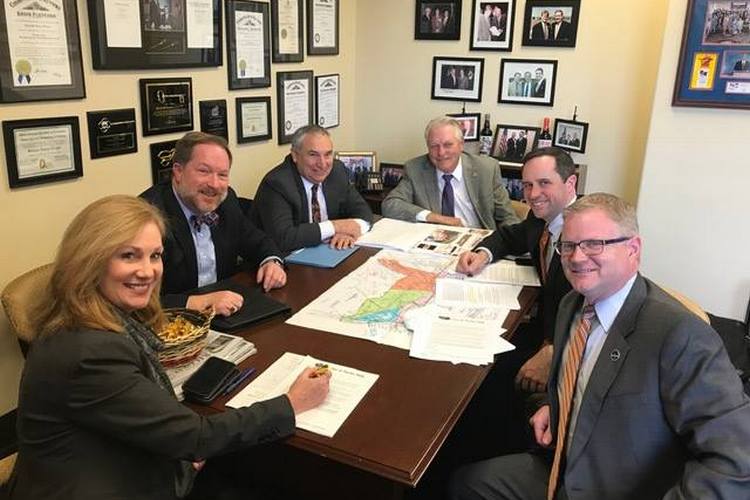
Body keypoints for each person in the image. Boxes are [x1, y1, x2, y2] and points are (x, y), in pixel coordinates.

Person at [8, 195, 331, 500]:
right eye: (128, 255)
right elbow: (196, 437)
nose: (147, 271)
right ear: (89, 261)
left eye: (155, 255)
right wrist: (291, 403)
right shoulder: (88, 351)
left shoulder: (97, 318)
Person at [450, 193, 750, 500]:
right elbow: (583, 382)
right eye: (568, 245)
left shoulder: (681, 335)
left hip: (622, 488)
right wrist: (554, 408)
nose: (577, 258)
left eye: (595, 244)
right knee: (466, 483)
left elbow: (737, 461)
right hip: (564, 463)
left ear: (633, 249)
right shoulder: (573, 305)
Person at [457, 148, 577, 395]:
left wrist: (555, 351)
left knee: (481, 377)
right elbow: (509, 237)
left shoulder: (586, 236)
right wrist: (483, 254)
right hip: (542, 324)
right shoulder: (541, 217)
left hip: (568, 350)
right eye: (527, 185)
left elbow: (598, 309)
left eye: (544, 183)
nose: (533, 195)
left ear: (571, 182)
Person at [140, 132, 287, 316]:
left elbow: (256, 240)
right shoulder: (148, 217)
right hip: (173, 325)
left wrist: (272, 261)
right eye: (204, 171)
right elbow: (135, 298)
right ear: (178, 171)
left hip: (226, 316)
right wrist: (198, 302)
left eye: (223, 175)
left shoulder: (226, 201)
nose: (215, 184)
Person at [252, 125, 373, 252]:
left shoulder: (337, 171)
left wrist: (348, 232)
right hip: (282, 262)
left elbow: (363, 211)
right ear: (295, 155)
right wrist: (335, 227)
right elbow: (284, 238)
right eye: (313, 155)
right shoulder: (277, 183)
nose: (322, 164)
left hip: (328, 252)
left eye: (327, 154)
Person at [382, 117, 519, 229]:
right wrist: (435, 218)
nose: (441, 153)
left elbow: (507, 217)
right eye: (434, 146)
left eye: (448, 145)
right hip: (435, 244)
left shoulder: (486, 169)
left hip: (478, 242)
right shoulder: (415, 168)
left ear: (461, 144)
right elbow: (390, 205)